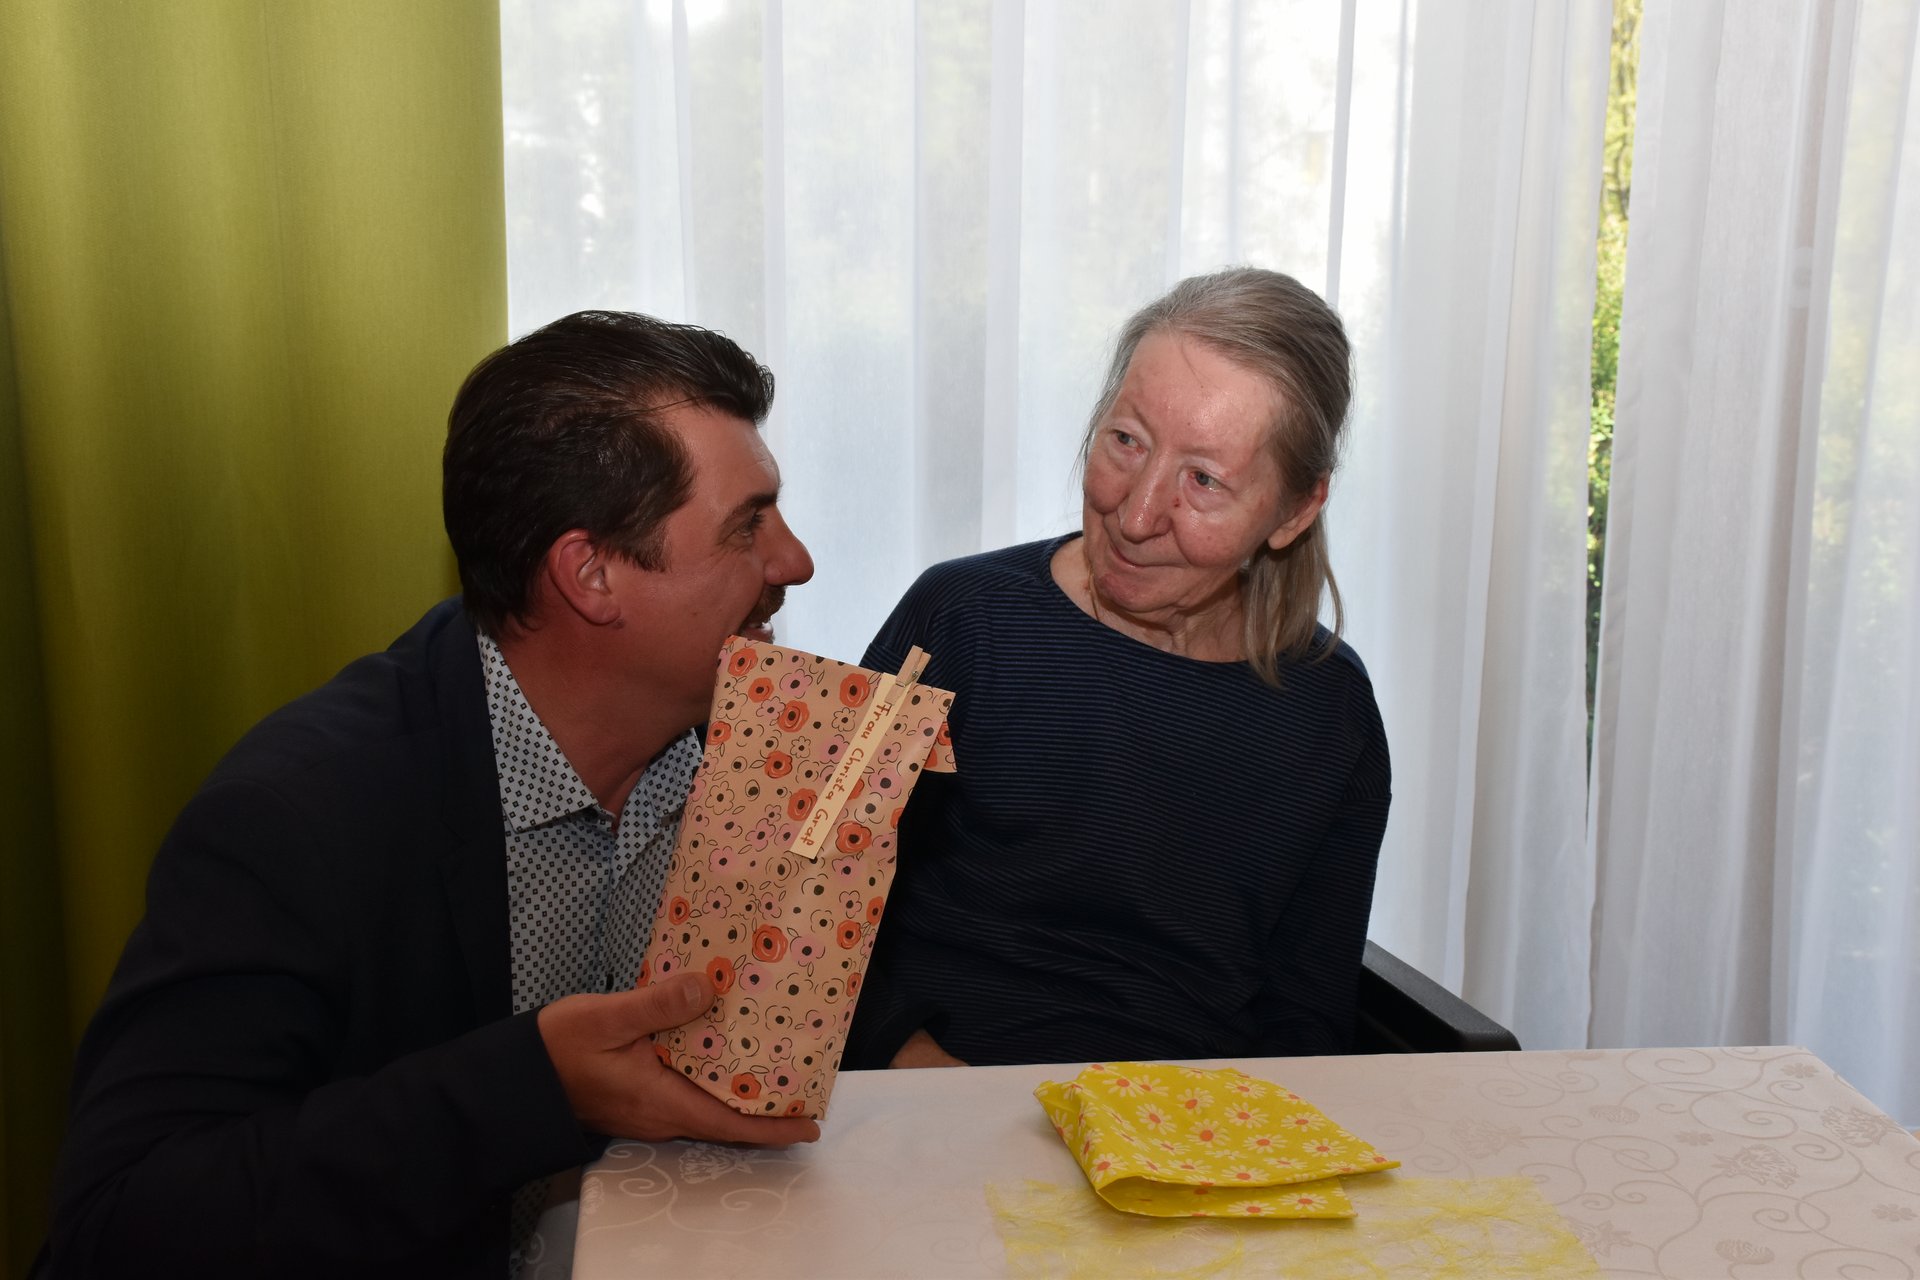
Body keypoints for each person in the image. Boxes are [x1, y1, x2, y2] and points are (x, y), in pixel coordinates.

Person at [41, 312, 819, 1279]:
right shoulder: (299, 818)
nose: (795, 561)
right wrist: (532, 1087)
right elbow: (121, 1223)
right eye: (749, 524)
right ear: (591, 575)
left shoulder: (744, 758)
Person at [845, 268, 1391, 1070]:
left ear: (1297, 510)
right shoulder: (962, 621)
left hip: (1185, 1119)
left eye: (1204, 480)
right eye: (1127, 441)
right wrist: (910, 1062)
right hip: (932, 1094)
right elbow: (804, 888)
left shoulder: (1330, 711)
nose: (1135, 516)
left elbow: (1305, 1020)